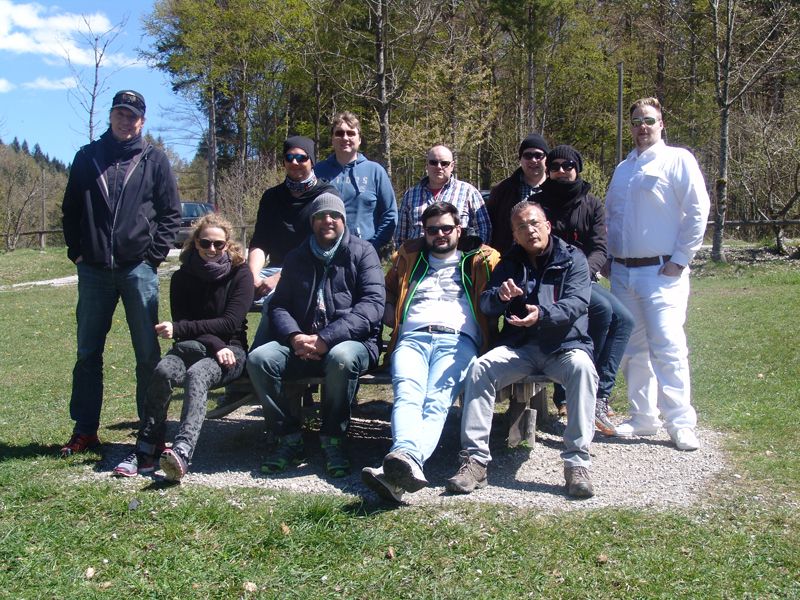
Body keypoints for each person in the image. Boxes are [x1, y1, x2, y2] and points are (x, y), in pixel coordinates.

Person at [446, 200, 598, 498]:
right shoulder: (510, 262)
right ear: (514, 235)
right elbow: (486, 304)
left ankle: (576, 464)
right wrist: (501, 296)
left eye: (534, 223)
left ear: (547, 226)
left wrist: (542, 314)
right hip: (520, 347)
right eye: (521, 227)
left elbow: (578, 302)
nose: (529, 231)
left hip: (563, 347)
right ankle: (474, 461)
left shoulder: (572, 259)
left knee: (582, 368)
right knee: (480, 369)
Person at [60, 89, 181, 457]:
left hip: (137, 270)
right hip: (94, 271)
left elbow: (170, 214)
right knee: (87, 353)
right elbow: (70, 210)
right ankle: (85, 430)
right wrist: (78, 252)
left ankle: (151, 431)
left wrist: (152, 258)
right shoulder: (87, 157)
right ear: (110, 117)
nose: (126, 121)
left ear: (142, 121)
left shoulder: (154, 159)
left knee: (147, 355)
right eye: (120, 114)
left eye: (132, 115)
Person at [361, 202, 501, 502]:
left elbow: (504, 275)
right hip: (412, 339)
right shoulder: (408, 258)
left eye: (446, 228)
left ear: (458, 229)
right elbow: (381, 290)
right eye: (432, 229)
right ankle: (404, 468)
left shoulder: (480, 260)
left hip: (458, 341)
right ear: (424, 232)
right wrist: (387, 311)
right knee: (408, 393)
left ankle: (402, 461)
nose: (440, 234)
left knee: (437, 401)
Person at [247, 194, 385, 478]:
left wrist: (326, 338)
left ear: (343, 220)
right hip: (303, 343)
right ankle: (288, 438)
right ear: (312, 222)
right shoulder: (298, 257)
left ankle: (333, 438)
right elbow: (281, 304)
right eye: (320, 216)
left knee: (341, 357)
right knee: (260, 359)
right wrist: (295, 336)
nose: (327, 221)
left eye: (334, 215)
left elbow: (372, 306)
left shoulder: (363, 252)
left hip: (353, 343)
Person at [604, 97, 710, 451]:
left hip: (661, 271)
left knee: (668, 346)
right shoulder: (623, 169)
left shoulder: (677, 160)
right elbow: (612, 217)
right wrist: (608, 258)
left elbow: (698, 210)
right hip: (622, 272)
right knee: (633, 349)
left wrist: (680, 259)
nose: (642, 127)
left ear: (661, 124)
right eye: (636, 121)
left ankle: (680, 422)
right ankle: (643, 416)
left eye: (649, 120)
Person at [113, 214, 253, 480]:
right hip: (193, 347)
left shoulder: (240, 273)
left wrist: (183, 331)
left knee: (197, 374)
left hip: (231, 351)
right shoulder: (182, 277)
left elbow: (229, 323)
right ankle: (146, 448)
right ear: (195, 244)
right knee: (164, 370)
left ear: (228, 245)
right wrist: (209, 342)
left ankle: (182, 450)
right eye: (205, 243)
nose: (212, 249)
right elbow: (184, 321)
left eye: (219, 244)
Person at [538, 145, 634, 435]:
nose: (562, 171)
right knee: (602, 311)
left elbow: (599, 248)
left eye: (568, 165)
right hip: (551, 278)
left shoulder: (591, 204)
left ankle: (600, 394)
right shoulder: (539, 203)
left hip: (584, 276)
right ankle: (571, 393)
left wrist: (586, 271)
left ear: (577, 168)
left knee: (625, 320)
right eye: (555, 166)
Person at [248, 135, 339, 349]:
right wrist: (250, 276)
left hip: (311, 272)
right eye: (289, 157)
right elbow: (260, 242)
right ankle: (231, 351)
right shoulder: (272, 197)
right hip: (272, 270)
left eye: (301, 157)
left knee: (274, 300)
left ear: (312, 161)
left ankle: (256, 359)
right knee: (234, 289)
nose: (295, 162)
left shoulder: (325, 196)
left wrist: (279, 279)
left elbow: (323, 248)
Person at [314, 111, 398, 250]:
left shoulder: (375, 171)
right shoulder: (318, 171)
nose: (345, 138)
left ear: (359, 139)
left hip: (363, 252)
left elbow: (390, 213)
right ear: (332, 139)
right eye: (339, 133)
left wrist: (373, 246)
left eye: (351, 133)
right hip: (322, 252)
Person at [394, 144, 491, 247]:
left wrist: (472, 255)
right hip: (419, 260)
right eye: (433, 162)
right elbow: (401, 236)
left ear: (452, 166)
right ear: (426, 165)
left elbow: (484, 229)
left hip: (459, 259)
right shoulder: (410, 195)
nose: (439, 167)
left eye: (444, 163)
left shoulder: (469, 192)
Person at [486, 133, 550, 253]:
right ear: (520, 159)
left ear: (546, 159)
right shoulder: (502, 190)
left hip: (548, 259)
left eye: (538, 155)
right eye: (528, 155)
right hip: (510, 259)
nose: (533, 160)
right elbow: (490, 227)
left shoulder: (556, 190)